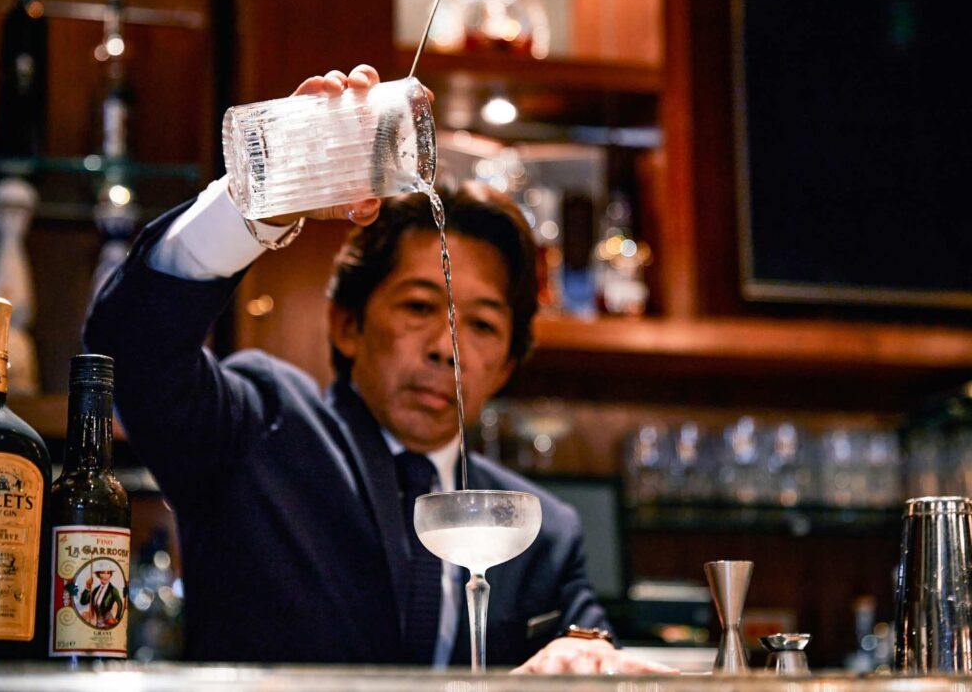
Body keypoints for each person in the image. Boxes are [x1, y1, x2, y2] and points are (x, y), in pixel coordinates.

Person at [84, 64, 672, 675]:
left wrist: (586, 655)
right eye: (420, 307)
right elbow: (127, 351)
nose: (447, 346)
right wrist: (260, 197)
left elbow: (592, 654)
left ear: (507, 364)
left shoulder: (539, 529)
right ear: (346, 323)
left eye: (483, 325)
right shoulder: (260, 428)